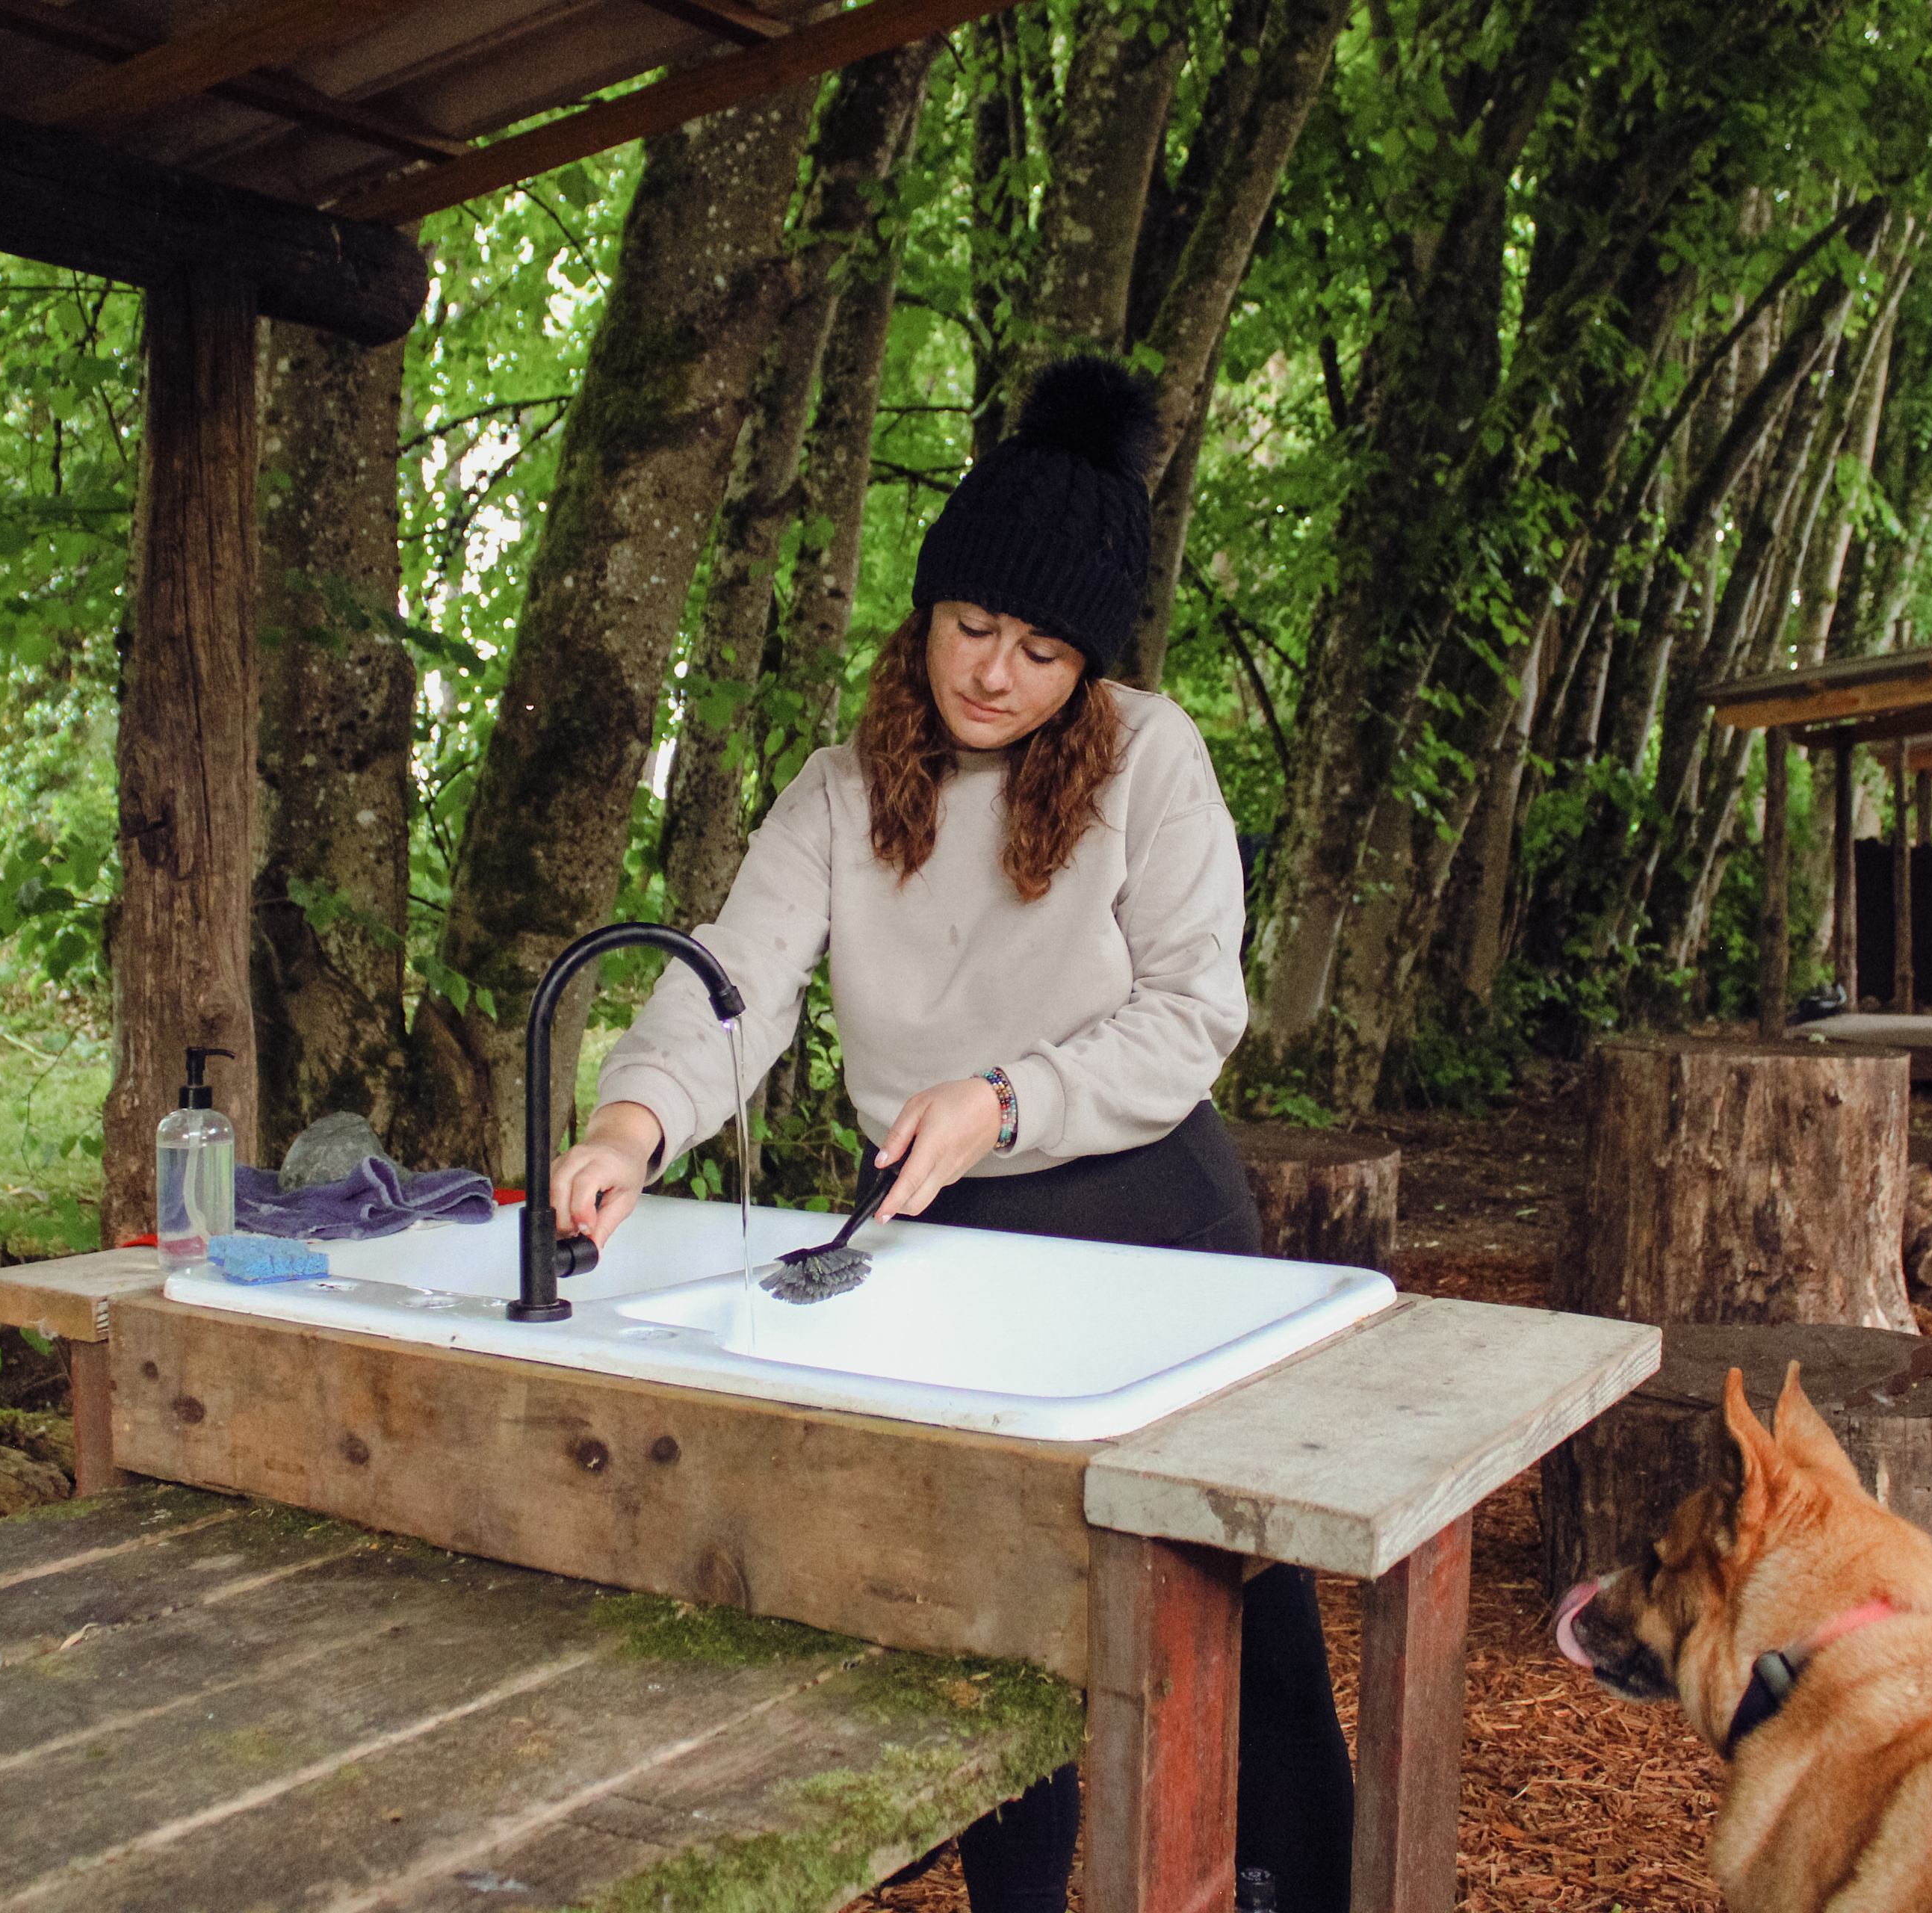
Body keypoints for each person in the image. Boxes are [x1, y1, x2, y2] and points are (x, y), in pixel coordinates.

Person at [549, 355, 1355, 1913]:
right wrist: (634, 1120)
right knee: (988, 1605)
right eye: (973, 626)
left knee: (1237, 1595)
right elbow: (737, 983)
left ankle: (1288, 1889)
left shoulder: (1151, 760)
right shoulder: (844, 788)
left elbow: (1195, 1012)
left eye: (1044, 650)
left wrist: (1005, 1092)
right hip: (934, 1220)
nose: (995, 675)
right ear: (926, 612)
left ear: (1091, 662)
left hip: (1145, 1217)